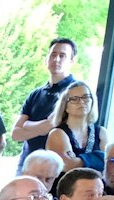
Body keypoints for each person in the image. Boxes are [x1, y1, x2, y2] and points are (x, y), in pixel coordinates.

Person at [9, 37, 82, 170]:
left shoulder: (76, 93)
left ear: (71, 61)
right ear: (46, 59)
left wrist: (28, 125)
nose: (56, 59)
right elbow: (15, 134)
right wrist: (43, 127)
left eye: (62, 56)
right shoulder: (35, 94)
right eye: (53, 54)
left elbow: (58, 126)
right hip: (28, 164)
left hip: (59, 168)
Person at [43, 82, 104, 175]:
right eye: (74, 99)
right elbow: (67, 165)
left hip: (96, 187)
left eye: (86, 97)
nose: (81, 102)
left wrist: (78, 160)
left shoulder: (101, 132)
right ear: (65, 107)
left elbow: (110, 164)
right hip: (65, 187)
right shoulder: (57, 133)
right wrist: (99, 157)